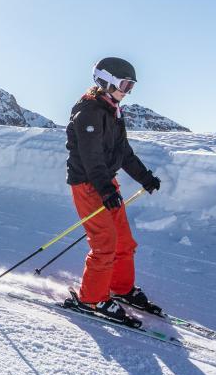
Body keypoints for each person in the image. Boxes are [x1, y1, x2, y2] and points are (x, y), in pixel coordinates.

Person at [63, 57, 164, 326]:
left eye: (131, 86)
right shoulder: (89, 113)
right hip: (88, 185)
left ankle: (120, 288)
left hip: (106, 183)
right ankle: (91, 298)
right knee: (104, 243)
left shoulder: (113, 111)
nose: (127, 90)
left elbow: (124, 153)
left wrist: (145, 178)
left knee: (124, 241)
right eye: (124, 84)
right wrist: (105, 189)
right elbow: (91, 157)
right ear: (105, 80)